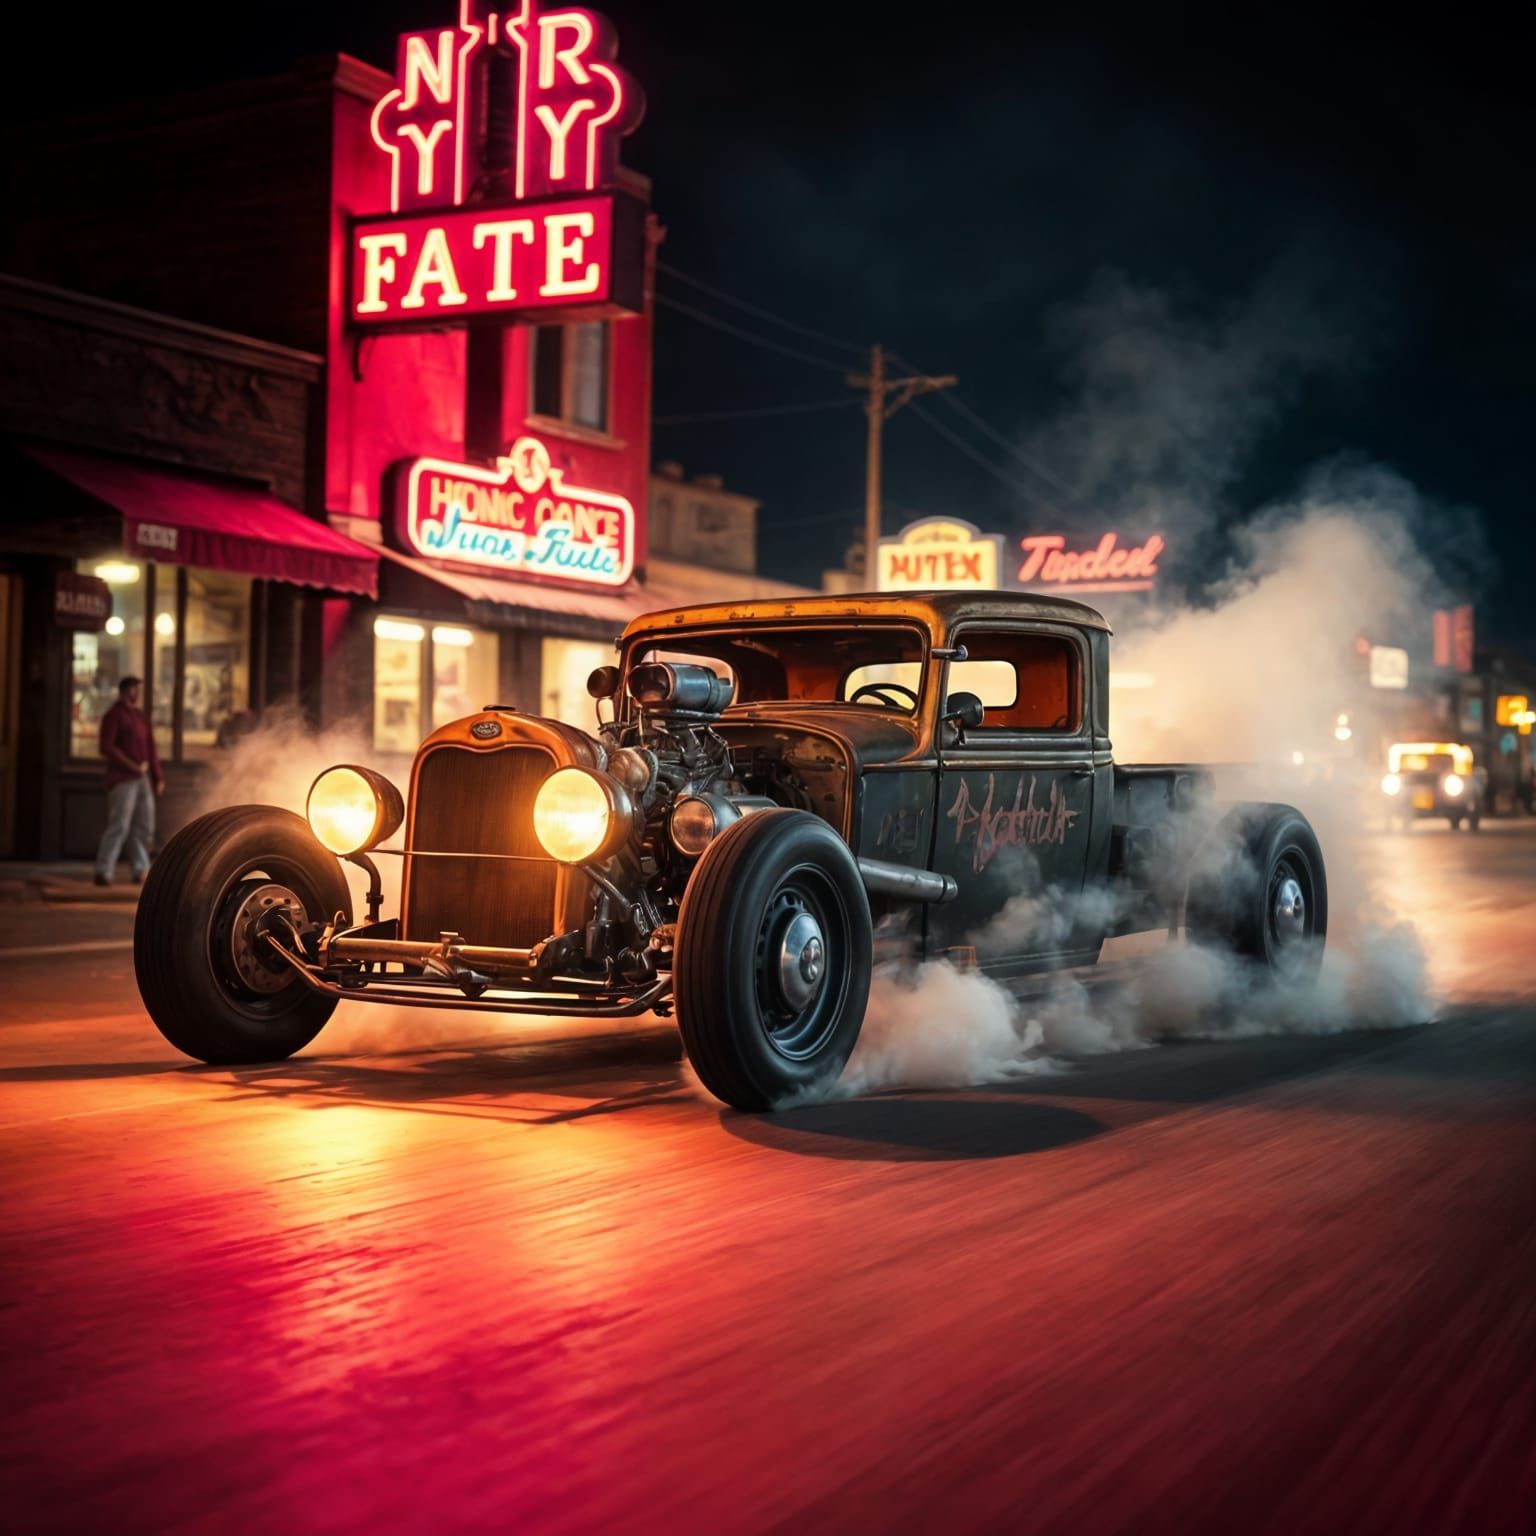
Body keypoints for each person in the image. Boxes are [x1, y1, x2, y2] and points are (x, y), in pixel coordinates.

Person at [93, 676, 164, 886]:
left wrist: (158, 777)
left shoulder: (140, 717)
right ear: (126, 690)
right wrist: (132, 766)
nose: (138, 693)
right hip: (122, 778)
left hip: (142, 779)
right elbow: (106, 747)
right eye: (135, 689)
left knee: (144, 825)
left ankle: (140, 869)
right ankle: (103, 870)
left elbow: (151, 749)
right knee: (120, 825)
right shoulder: (114, 715)